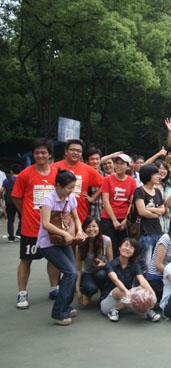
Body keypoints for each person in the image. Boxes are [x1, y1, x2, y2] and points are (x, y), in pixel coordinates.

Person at [11, 138, 60, 308]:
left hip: (52, 227)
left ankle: (54, 288)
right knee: (26, 260)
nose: (40, 155)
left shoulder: (57, 173)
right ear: (33, 155)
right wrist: (25, 213)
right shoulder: (25, 174)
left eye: (43, 152)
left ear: (50, 155)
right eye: (37, 152)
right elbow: (16, 197)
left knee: (54, 259)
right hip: (31, 228)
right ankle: (22, 293)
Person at [37, 169, 87, 325]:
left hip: (65, 241)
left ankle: (65, 305)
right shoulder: (48, 199)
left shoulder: (70, 198)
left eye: (73, 187)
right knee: (70, 272)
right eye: (68, 188)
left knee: (73, 272)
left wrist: (79, 231)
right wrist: (64, 233)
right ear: (58, 185)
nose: (71, 191)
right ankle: (59, 313)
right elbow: (46, 224)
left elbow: (76, 218)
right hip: (48, 243)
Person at [101, 237, 161, 322]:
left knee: (142, 288)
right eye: (126, 245)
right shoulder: (110, 264)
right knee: (118, 289)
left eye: (131, 248)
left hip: (127, 302)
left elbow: (142, 280)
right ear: (119, 248)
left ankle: (116, 310)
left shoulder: (134, 265)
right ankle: (147, 311)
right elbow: (115, 280)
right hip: (109, 303)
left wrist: (152, 294)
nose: (127, 248)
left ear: (134, 252)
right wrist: (127, 292)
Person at [53, 139, 104, 223]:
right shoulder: (54, 167)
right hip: (57, 214)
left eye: (79, 151)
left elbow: (105, 183)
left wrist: (92, 198)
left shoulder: (88, 169)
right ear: (66, 152)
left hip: (80, 214)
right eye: (72, 150)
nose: (76, 153)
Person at [100, 153, 137, 257]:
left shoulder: (132, 181)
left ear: (127, 166)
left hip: (125, 218)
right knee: (110, 247)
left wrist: (126, 219)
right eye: (117, 163)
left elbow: (132, 202)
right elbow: (105, 201)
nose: (118, 166)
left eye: (122, 163)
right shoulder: (107, 179)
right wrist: (114, 220)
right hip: (108, 218)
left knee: (124, 246)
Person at [134, 164, 166, 272]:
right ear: (148, 175)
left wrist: (151, 209)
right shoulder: (139, 191)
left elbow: (163, 209)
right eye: (155, 174)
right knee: (145, 262)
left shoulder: (157, 191)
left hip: (157, 230)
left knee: (156, 260)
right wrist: (157, 214)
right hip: (144, 231)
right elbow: (142, 212)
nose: (158, 176)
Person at [76, 217, 113, 306]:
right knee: (87, 298)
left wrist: (103, 264)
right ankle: (88, 291)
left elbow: (111, 263)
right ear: (84, 228)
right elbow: (78, 269)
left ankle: (104, 293)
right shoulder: (80, 243)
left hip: (102, 272)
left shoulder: (106, 240)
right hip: (88, 273)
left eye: (94, 226)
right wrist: (77, 289)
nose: (91, 229)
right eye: (88, 227)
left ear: (99, 227)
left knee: (101, 274)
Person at [1, 163, 22, 242]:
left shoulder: (7, 180)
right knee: (22, 217)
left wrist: (2, 197)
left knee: (10, 219)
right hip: (20, 201)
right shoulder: (22, 179)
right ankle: (19, 233)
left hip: (9, 201)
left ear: (11, 171)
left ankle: (11, 237)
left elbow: (1, 190)